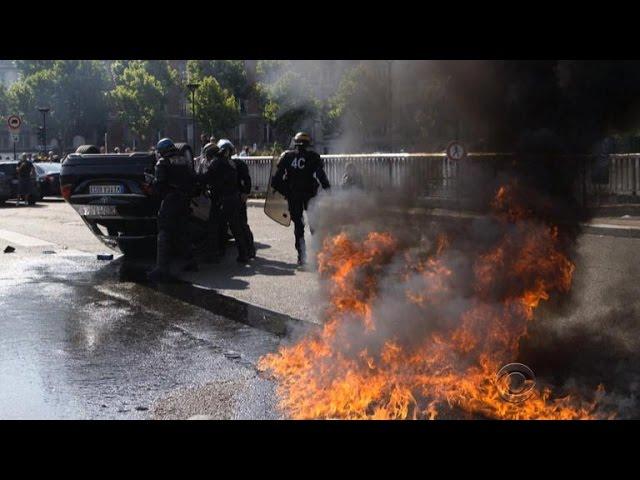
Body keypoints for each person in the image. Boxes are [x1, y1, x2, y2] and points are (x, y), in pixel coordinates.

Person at [271, 131, 330, 265]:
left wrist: (287, 191)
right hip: (310, 195)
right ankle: (318, 255)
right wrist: (329, 191)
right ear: (308, 143)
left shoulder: (287, 156)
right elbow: (322, 177)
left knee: (298, 226)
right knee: (314, 224)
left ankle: (301, 256)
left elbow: (276, 181)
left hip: (294, 196)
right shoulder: (313, 157)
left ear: (295, 143)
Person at [147, 138, 198, 282]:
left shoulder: (162, 162)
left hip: (171, 201)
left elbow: (159, 186)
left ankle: (162, 269)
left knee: (164, 232)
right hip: (185, 200)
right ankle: (191, 261)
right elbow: (193, 179)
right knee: (183, 231)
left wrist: (151, 182)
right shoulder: (184, 160)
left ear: (162, 150)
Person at [202, 139, 250, 264]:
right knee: (235, 227)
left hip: (222, 200)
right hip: (232, 198)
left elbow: (205, 178)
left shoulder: (215, 163)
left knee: (214, 227)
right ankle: (243, 254)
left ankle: (213, 255)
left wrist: (192, 179)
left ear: (209, 155)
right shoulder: (228, 163)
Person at [233, 155, 256, 258]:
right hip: (235, 198)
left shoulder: (236, 164)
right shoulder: (230, 164)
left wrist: (245, 193)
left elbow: (246, 180)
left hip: (237, 198)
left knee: (241, 224)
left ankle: (249, 249)